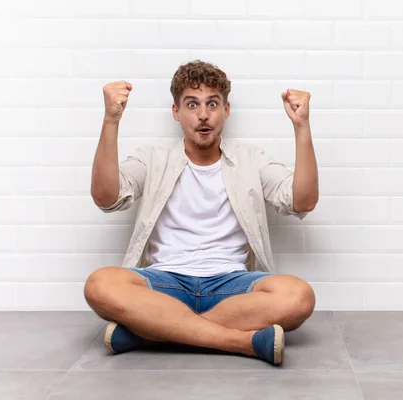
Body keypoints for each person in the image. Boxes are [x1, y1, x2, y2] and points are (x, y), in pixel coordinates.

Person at [84, 60, 319, 366]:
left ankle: (152, 331)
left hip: (231, 285)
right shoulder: (153, 158)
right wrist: (111, 121)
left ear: (226, 110)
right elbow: (105, 197)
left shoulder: (251, 159)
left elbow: (303, 201)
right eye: (192, 104)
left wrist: (301, 127)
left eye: (212, 103)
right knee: (99, 284)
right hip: (164, 282)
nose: (204, 114)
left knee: (299, 296)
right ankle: (240, 342)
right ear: (176, 112)